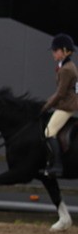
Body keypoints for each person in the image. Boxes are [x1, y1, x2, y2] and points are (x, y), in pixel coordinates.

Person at [43, 34, 78, 177]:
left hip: (67, 106)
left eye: (55, 50)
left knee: (49, 131)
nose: (53, 53)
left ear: (64, 51)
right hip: (67, 103)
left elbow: (60, 93)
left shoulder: (66, 70)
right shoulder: (65, 66)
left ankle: (57, 165)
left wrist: (45, 106)